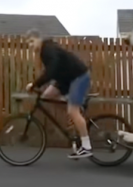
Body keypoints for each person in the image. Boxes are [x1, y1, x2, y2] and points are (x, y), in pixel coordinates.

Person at [25, 28, 92, 159]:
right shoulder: (45, 51)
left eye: (32, 41)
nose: (30, 45)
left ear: (39, 39)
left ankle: (86, 146)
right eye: (28, 43)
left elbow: (51, 70)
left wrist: (34, 84)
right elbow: (54, 71)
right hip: (65, 80)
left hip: (78, 77)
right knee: (46, 97)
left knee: (72, 110)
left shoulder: (48, 49)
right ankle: (75, 116)